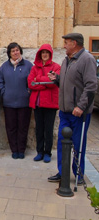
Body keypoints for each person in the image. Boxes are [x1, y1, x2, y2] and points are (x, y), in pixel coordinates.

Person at [47, 33, 97, 184]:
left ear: (74, 43)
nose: (64, 46)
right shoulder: (66, 60)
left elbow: (91, 86)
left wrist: (81, 106)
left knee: (78, 144)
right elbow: (68, 83)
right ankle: (63, 173)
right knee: (62, 144)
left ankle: (79, 175)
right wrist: (57, 79)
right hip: (65, 111)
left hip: (78, 113)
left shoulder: (87, 59)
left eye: (66, 42)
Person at [0, 42, 33, 159]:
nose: (15, 52)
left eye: (17, 50)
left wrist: (28, 92)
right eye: (13, 51)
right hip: (9, 103)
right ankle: (14, 150)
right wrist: (4, 93)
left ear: (20, 51)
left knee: (23, 127)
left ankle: (21, 150)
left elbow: (33, 81)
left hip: (24, 103)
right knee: (11, 128)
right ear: (9, 53)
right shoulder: (4, 67)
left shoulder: (28, 66)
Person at [28, 44, 60, 163]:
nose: (45, 55)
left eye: (47, 52)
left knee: (48, 130)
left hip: (50, 103)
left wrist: (38, 80)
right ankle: (39, 152)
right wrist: (44, 82)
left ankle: (48, 152)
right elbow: (30, 83)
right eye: (43, 53)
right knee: (39, 129)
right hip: (37, 103)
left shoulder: (56, 67)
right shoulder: (34, 67)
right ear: (40, 54)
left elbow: (53, 82)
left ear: (50, 54)